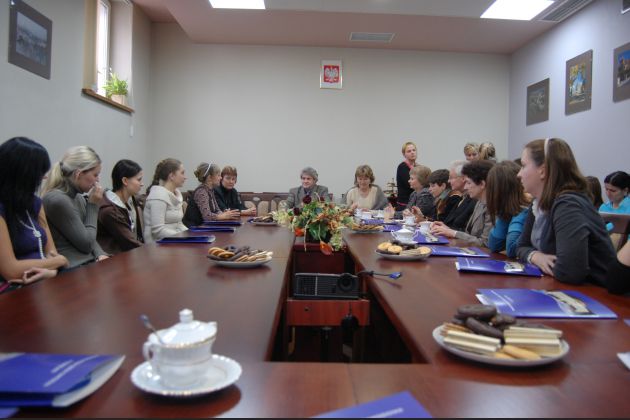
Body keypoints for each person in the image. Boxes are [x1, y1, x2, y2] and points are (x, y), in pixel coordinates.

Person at [515, 138, 615, 286]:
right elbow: (520, 247)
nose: (519, 174)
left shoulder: (568, 205)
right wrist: (535, 256)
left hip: (598, 294)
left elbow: (570, 271)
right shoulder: (538, 203)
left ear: (543, 171)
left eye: (523, 166)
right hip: (565, 286)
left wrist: (533, 256)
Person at [0, 137, 68, 287]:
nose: (44, 177)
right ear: (22, 174)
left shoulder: (35, 203)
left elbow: (52, 253)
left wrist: (52, 271)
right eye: (40, 172)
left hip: (44, 280)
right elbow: (10, 270)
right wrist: (60, 261)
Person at [42, 145, 109, 268]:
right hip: (72, 268)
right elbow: (87, 244)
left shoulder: (78, 196)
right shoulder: (57, 200)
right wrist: (93, 205)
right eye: (95, 175)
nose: (97, 180)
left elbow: (89, 235)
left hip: (88, 262)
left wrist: (101, 254)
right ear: (78, 174)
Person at [431, 160, 494, 247]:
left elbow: (485, 243)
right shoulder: (480, 202)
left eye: (468, 182)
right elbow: (469, 233)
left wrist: (453, 233)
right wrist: (449, 230)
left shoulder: (492, 207)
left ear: (482, 184)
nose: (466, 187)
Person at [97, 159, 145, 255]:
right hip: (114, 258)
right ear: (125, 181)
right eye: (139, 180)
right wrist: (153, 251)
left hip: (128, 254)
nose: (142, 184)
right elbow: (129, 243)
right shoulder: (109, 210)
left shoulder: (130, 200)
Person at [486, 161, 530, 257]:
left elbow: (511, 248)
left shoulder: (526, 209)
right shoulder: (508, 211)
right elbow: (494, 245)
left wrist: (519, 212)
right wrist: (504, 214)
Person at [143, 158, 188, 242]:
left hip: (172, 241)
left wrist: (191, 234)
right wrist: (183, 238)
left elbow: (179, 224)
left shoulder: (176, 195)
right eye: (182, 173)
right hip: (156, 245)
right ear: (171, 176)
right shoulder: (158, 195)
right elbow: (158, 231)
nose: (185, 177)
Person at [183, 163, 240, 227]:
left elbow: (217, 210)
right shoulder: (201, 191)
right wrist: (222, 216)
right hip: (193, 228)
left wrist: (224, 213)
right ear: (210, 177)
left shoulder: (210, 190)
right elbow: (207, 217)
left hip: (203, 227)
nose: (221, 178)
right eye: (218, 175)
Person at [442, 160, 477, 231]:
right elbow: (449, 223)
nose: (448, 181)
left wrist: (448, 230)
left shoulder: (474, 200)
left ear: (463, 178)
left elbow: (467, 231)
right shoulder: (462, 198)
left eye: (451, 177)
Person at [395, 141, 417, 211]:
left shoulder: (417, 166)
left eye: (414, 150)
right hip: (404, 204)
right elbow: (411, 185)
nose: (412, 152)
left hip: (414, 202)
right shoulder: (402, 167)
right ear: (404, 154)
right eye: (409, 151)